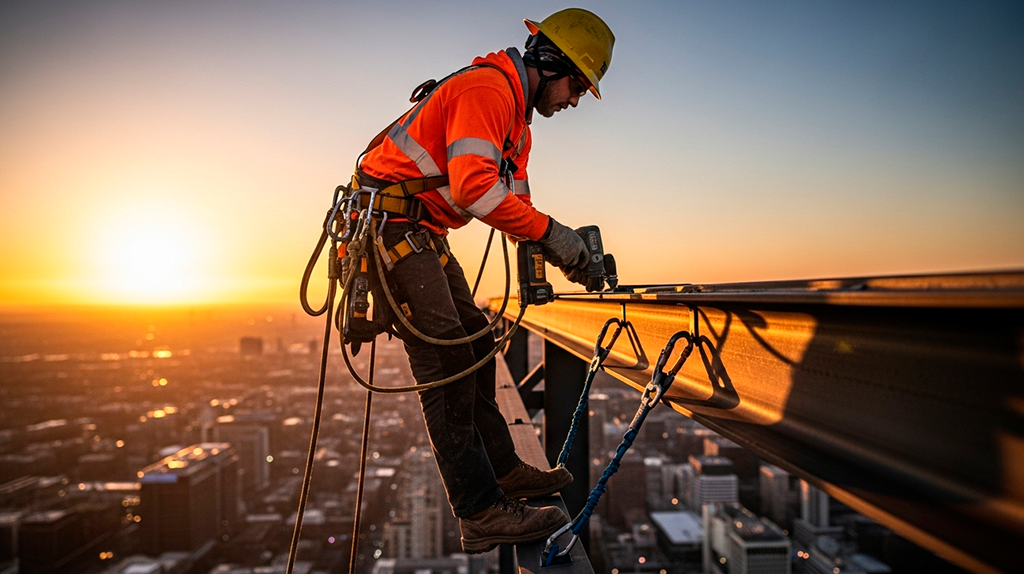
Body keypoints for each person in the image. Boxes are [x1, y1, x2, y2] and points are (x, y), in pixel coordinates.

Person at [351, 8, 614, 553]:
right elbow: (475, 191)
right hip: (393, 225)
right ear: (554, 62)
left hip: (419, 229)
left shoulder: (517, 123)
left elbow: (515, 203)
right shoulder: (488, 92)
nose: (572, 101)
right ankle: (479, 511)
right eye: (576, 87)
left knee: (473, 341)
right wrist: (557, 235)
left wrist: (563, 251)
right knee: (446, 358)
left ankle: (505, 473)